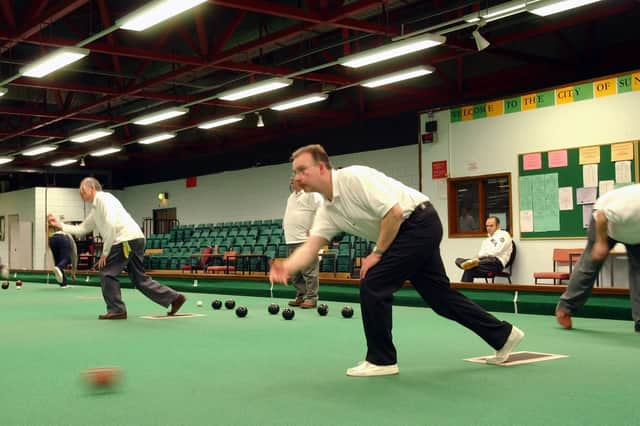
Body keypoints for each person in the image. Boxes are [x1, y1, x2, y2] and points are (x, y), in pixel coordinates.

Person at [269, 144, 524, 377]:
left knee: (373, 283)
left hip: (417, 223)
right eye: (295, 172)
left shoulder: (353, 177)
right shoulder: (327, 208)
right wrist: (287, 266)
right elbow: (312, 246)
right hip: (410, 231)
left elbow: (395, 213)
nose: (297, 177)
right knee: (440, 299)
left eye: (302, 170)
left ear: (322, 167)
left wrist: (377, 254)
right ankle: (503, 335)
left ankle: (382, 360)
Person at [47, 177, 186, 320]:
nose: (80, 194)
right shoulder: (96, 208)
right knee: (139, 279)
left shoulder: (103, 199)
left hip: (124, 240)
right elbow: (82, 229)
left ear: (93, 189)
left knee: (107, 273)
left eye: (83, 190)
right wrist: (60, 225)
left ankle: (117, 309)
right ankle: (174, 298)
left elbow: (112, 225)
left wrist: (105, 253)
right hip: (136, 238)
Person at [556, 184, 640, 331]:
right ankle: (565, 308)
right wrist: (601, 242)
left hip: (635, 233)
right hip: (604, 221)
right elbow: (602, 215)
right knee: (591, 263)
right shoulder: (633, 205)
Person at [283, 177, 323, 308]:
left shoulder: (312, 195)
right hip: (291, 240)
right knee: (295, 273)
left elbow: (323, 211)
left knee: (309, 271)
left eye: (293, 179)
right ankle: (301, 296)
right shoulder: (291, 197)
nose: (290, 180)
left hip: (305, 241)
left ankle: (311, 298)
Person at [455, 216, 513, 282]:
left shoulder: (504, 235)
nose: (488, 228)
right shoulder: (487, 240)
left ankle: (471, 263)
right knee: (463, 264)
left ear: (497, 226)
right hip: (484, 262)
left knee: (471, 266)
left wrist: (479, 256)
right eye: (487, 226)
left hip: (496, 264)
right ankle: (468, 264)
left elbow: (496, 251)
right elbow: (481, 252)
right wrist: (477, 257)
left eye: (491, 226)